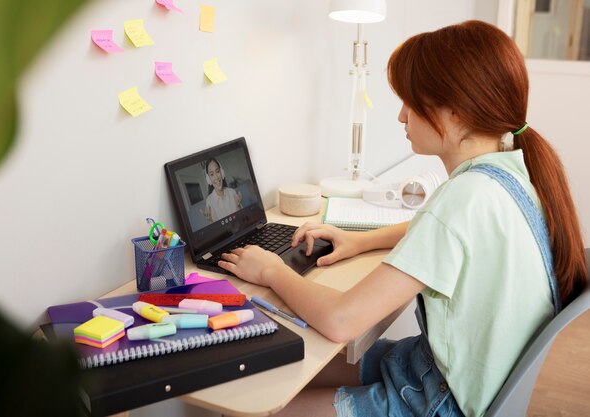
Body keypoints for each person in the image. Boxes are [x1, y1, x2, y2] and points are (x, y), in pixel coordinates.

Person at [217, 20, 588, 417]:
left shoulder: (461, 199)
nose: (400, 116)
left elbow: (341, 321)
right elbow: (445, 233)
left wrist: (272, 270)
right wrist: (361, 240)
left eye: (411, 102)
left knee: (261, 405)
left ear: (454, 112)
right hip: (447, 373)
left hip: (443, 400)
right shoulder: (508, 171)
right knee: (285, 366)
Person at [202, 157, 243, 222]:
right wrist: (210, 220)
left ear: (222, 173)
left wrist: (238, 206)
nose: (216, 177)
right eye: (212, 174)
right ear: (208, 179)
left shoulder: (232, 192)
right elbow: (216, 230)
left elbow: (241, 219)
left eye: (217, 171)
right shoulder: (209, 201)